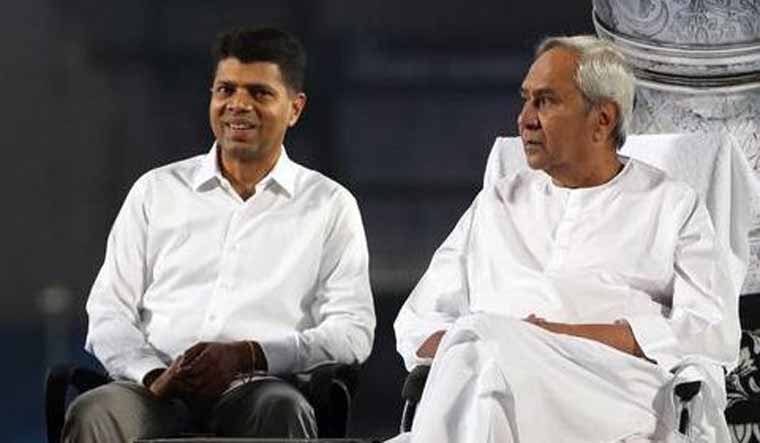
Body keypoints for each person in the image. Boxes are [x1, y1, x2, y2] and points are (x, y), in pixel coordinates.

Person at [391, 35, 740, 442]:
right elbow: (418, 325)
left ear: (602, 119)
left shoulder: (670, 205)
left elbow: (709, 331)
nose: (524, 119)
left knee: (484, 355)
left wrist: (545, 338)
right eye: (526, 100)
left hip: (611, 392)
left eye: (545, 101)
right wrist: (492, 340)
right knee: (483, 361)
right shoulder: (496, 203)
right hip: (487, 376)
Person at [63, 27, 375, 442]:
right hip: (153, 390)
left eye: (260, 93)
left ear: (295, 109)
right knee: (95, 412)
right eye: (226, 90)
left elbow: (353, 332)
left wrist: (251, 355)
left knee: (283, 409)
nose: (238, 105)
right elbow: (108, 313)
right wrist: (152, 373)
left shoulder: (328, 205)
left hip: (259, 389)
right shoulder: (156, 191)